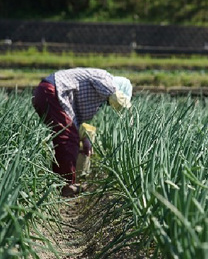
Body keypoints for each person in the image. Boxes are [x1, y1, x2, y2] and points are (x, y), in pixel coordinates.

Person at [32, 67, 133, 197]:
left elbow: (76, 121)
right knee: (68, 138)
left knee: (66, 137)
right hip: (51, 92)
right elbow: (108, 88)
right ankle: (66, 184)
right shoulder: (106, 79)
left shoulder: (96, 99)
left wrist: (85, 138)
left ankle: (58, 183)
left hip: (48, 93)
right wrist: (116, 96)